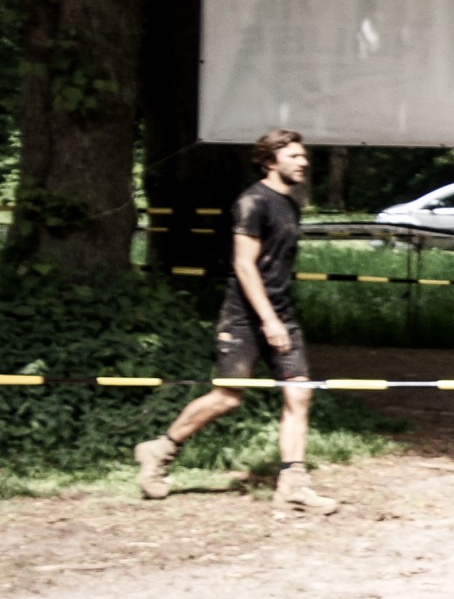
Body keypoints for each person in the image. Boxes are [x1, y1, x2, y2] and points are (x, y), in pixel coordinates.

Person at [135, 130, 338, 515]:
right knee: (228, 397)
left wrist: (279, 318)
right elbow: (244, 266)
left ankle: (293, 486)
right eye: (295, 156)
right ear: (270, 161)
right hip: (244, 317)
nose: (304, 162)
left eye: (304, 156)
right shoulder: (252, 202)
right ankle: (160, 449)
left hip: (281, 313)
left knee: (299, 394)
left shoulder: (289, 204)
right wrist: (268, 320)